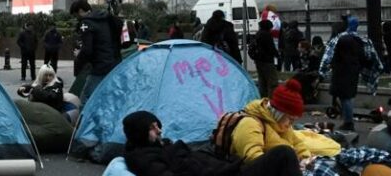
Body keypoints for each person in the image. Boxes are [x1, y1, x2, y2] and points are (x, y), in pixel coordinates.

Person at [123, 111, 257, 176]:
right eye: (152, 128)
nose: (159, 131)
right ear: (140, 133)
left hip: (226, 167)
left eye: (157, 126)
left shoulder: (158, 146)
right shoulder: (144, 158)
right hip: (224, 173)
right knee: (277, 156)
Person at [228, 79, 310, 175]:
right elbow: (252, 158)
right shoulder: (250, 123)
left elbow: (297, 144)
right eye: (290, 119)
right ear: (279, 113)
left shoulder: (282, 125)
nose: (291, 123)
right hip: (245, 170)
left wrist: (305, 158)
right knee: (285, 153)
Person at [71, 0, 121, 105]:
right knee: (109, 95)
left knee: (86, 97)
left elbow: (87, 50)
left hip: (100, 66)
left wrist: (79, 57)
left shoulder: (86, 23)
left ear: (80, 11)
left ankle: (84, 121)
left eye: (76, 15)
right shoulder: (105, 19)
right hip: (114, 62)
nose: (76, 19)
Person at [326, 18, 367, 131]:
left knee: (345, 97)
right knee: (348, 96)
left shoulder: (341, 39)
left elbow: (334, 55)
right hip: (353, 70)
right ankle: (347, 120)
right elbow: (363, 56)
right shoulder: (357, 39)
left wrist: (332, 65)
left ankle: (348, 121)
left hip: (342, 71)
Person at [254, 19, 280, 98]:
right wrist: (277, 55)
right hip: (267, 60)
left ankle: (263, 98)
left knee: (262, 80)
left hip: (258, 60)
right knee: (272, 80)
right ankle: (272, 98)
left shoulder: (258, 34)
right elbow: (271, 48)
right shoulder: (267, 35)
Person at [260, 5, 283, 70]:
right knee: (275, 50)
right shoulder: (275, 16)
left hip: (269, 35)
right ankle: (276, 65)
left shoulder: (265, 13)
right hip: (276, 36)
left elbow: (263, 23)